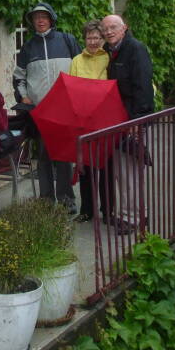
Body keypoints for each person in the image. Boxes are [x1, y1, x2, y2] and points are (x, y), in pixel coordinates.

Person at [13, 2, 81, 211]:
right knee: (43, 155)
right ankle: (45, 200)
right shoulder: (28, 47)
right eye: (36, 18)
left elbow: (80, 68)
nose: (40, 20)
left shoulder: (67, 40)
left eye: (44, 16)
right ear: (32, 22)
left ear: (51, 18)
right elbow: (18, 77)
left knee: (63, 156)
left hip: (64, 110)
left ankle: (66, 199)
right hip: (40, 112)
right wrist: (24, 97)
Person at [101, 14, 154, 231]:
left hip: (133, 120)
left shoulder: (135, 49)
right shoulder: (110, 51)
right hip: (119, 119)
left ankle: (133, 219)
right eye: (105, 29)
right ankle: (135, 214)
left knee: (130, 172)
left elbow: (143, 85)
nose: (109, 32)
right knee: (123, 172)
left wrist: (137, 121)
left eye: (114, 27)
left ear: (125, 28)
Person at [69, 20, 110, 223]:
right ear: (84, 39)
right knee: (86, 167)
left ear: (103, 39)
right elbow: (71, 87)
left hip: (105, 119)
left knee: (106, 167)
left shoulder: (109, 58)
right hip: (84, 119)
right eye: (89, 37)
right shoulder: (77, 60)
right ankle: (86, 210)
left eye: (96, 37)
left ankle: (108, 211)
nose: (92, 41)